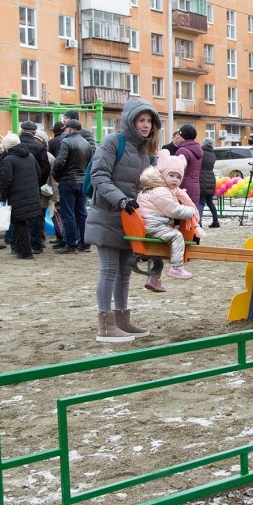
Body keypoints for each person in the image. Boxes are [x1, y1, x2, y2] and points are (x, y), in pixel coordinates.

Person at [84, 98, 162, 342]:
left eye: (149, 121)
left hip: (131, 219)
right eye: (141, 120)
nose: (146, 125)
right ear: (130, 120)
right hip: (108, 214)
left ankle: (122, 320)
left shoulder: (146, 152)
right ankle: (105, 325)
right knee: (108, 270)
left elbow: (149, 186)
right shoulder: (112, 143)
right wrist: (121, 200)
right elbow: (98, 176)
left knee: (125, 272)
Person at [135, 150, 205, 286]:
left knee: (156, 250)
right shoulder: (160, 191)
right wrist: (190, 211)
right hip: (152, 224)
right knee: (176, 236)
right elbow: (173, 210)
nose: (175, 180)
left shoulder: (155, 188)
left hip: (149, 224)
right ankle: (176, 267)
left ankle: (153, 279)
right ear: (162, 174)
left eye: (178, 177)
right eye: (171, 175)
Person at [0, 132, 41, 259]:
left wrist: (3, 197)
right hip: (32, 193)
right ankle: (29, 248)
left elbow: (5, 181)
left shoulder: (8, 160)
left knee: (19, 224)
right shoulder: (30, 156)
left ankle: (25, 251)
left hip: (17, 195)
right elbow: (38, 173)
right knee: (29, 222)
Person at [52, 119, 92, 254]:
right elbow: (89, 164)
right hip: (82, 182)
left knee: (68, 214)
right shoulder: (86, 144)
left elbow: (60, 161)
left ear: (69, 129)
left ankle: (71, 243)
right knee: (82, 213)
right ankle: (85, 243)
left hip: (68, 181)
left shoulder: (66, 142)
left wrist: (56, 176)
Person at [18, 121, 51, 253]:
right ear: (34, 133)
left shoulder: (14, 146)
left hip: (17, 187)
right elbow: (45, 167)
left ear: (21, 130)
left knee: (18, 216)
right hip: (34, 186)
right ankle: (36, 243)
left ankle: (18, 245)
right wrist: (39, 182)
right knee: (35, 215)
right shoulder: (39, 147)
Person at [175, 124, 202, 207]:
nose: (177, 138)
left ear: (183, 136)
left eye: (178, 135)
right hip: (195, 187)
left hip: (183, 188)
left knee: (181, 217)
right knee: (192, 216)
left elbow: (178, 173)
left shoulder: (183, 150)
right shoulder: (197, 150)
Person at [198, 137, 221, 228]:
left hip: (202, 178)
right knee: (210, 202)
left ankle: (199, 222)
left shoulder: (201, 152)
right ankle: (216, 221)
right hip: (211, 178)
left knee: (201, 202)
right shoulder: (213, 154)